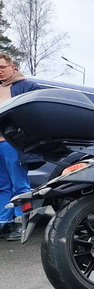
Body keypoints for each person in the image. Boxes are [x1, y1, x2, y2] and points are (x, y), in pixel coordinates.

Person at [0, 53, 40, 241]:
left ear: (12, 67)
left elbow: (38, 107)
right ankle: (4, 223)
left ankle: (20, 223)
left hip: (12, 143)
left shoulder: (25, 86)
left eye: (2, 67)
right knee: (2, 186)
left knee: (19, 184)